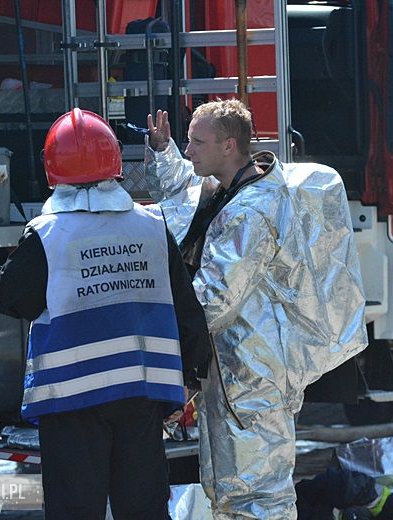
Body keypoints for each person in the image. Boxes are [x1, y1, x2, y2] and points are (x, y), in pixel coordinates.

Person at [144, 99, 368, 519]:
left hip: (249, 376)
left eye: (196, 142)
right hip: (235, 370)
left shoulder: (250, 212)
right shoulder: (232, 188)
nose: (189, 150)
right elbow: (187, 195)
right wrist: (163, 151)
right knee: (229, 489)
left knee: (255, 494)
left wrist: (154, 338)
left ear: (228, 146)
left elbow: (212, 300)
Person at [0, 108, 211, 520]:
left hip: (73, 404)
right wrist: (187, 380)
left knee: (76, 510)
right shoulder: (151, 226)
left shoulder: (49, 235)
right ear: (114, 165)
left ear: (52, 170)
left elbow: (9, 299)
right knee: (143, 509)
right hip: (140, 397)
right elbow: (188, 312)